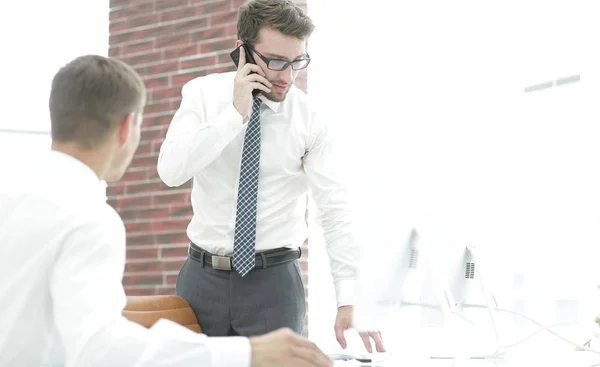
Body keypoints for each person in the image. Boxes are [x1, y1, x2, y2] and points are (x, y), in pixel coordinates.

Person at [0, 54, 332, 367]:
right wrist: (248, 351)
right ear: (127, 127)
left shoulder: (11, 197)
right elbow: (100, 346)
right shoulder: (89, 220)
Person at [157, 0, 385, 353]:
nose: (286, 75)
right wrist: (233, 115)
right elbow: (170, 171)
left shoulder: (311, 118)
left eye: (297, 62)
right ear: (242, 51)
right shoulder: (202, 94)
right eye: (275, 61)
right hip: (201, 280)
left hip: (274, 286)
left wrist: (349, 297)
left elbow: (335, 211)